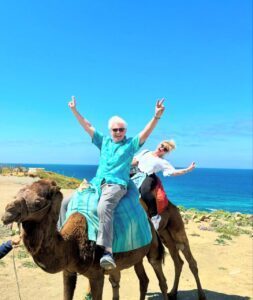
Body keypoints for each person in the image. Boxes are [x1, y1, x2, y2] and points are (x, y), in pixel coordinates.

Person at [68, 96, 165, 270]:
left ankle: (107, 251)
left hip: (117, 184)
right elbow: (87, 126)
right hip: (97, 182)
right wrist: (74, 110)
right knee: (70, 201)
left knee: (104, 207)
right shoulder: (103, 141)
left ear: (125, 130)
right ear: (110, 130)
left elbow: (146, 132)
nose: (118, 132)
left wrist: (156, 116)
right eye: (115, 130)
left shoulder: (130, 144)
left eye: (121, 130)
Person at [131, 140, 196, 230]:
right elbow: (134, 161)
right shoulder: (145, 152)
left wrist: (188, 169)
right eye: (162, 145)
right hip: (135, 173)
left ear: (166, 152)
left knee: (145, 191)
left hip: (148, 176)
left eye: (165, 149)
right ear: (159, 144)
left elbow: (173, 172)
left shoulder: (162, 161)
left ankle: (154, 216)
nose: (162, 148)